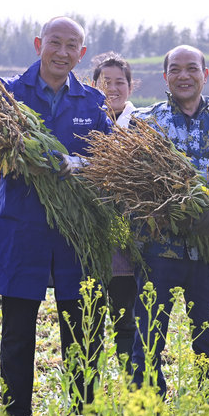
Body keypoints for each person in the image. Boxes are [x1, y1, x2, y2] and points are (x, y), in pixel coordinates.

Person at [0, 16, 113, 416]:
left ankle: (85, 413)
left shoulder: (91, 101)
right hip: (23, 226)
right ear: (40, 44)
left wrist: (80, 164)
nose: (63, 52)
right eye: (56, 42)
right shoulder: (8, 94)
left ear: (82, 53)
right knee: (17, 330)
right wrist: (23, 160)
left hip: (77, 231)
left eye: (73, 46)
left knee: (82, 327)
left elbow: (110, 159)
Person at [129, 45, 209, 413]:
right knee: (148, 335)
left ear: (205, 74)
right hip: (157, 246)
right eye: (175, 69)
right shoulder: (145, 121)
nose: (184, 75)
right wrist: (164, 210)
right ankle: (145, 410)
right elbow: (134, 180)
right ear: (165, 77)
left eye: (191, 68)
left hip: (208, 247)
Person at [91, 52, 138, 367]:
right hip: (89, 232)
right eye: (105, 82)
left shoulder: (143, 124)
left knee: (126, 318)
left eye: (119, 82)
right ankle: (87, 393)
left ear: (131, 87)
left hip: (128, 236)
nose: (112, 88)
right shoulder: (83, 120)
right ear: (92, 85)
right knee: (87, 321)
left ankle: (130, 386)